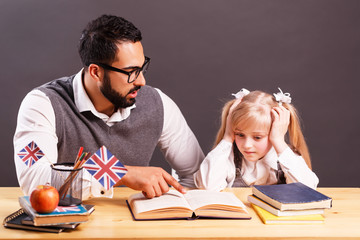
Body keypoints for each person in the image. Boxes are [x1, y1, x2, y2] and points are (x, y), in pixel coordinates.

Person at [14, 14, 204, 199]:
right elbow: (35, 181)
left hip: (135, 226)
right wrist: (118, 173)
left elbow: (195, 175)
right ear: (96, 72)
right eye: (130, 72)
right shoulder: (42, 104)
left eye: (142, 68)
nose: (142, 81)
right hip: (69, 226)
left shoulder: (158, 103)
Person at [194, 88, 319, 191]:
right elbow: (207, 187)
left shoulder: (286, 158)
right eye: (240, 135)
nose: (247, 145)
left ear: (275, 131)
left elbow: (307, 190)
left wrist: (279, 141)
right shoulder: (228, 157)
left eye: (257, 137)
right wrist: (227, 137)